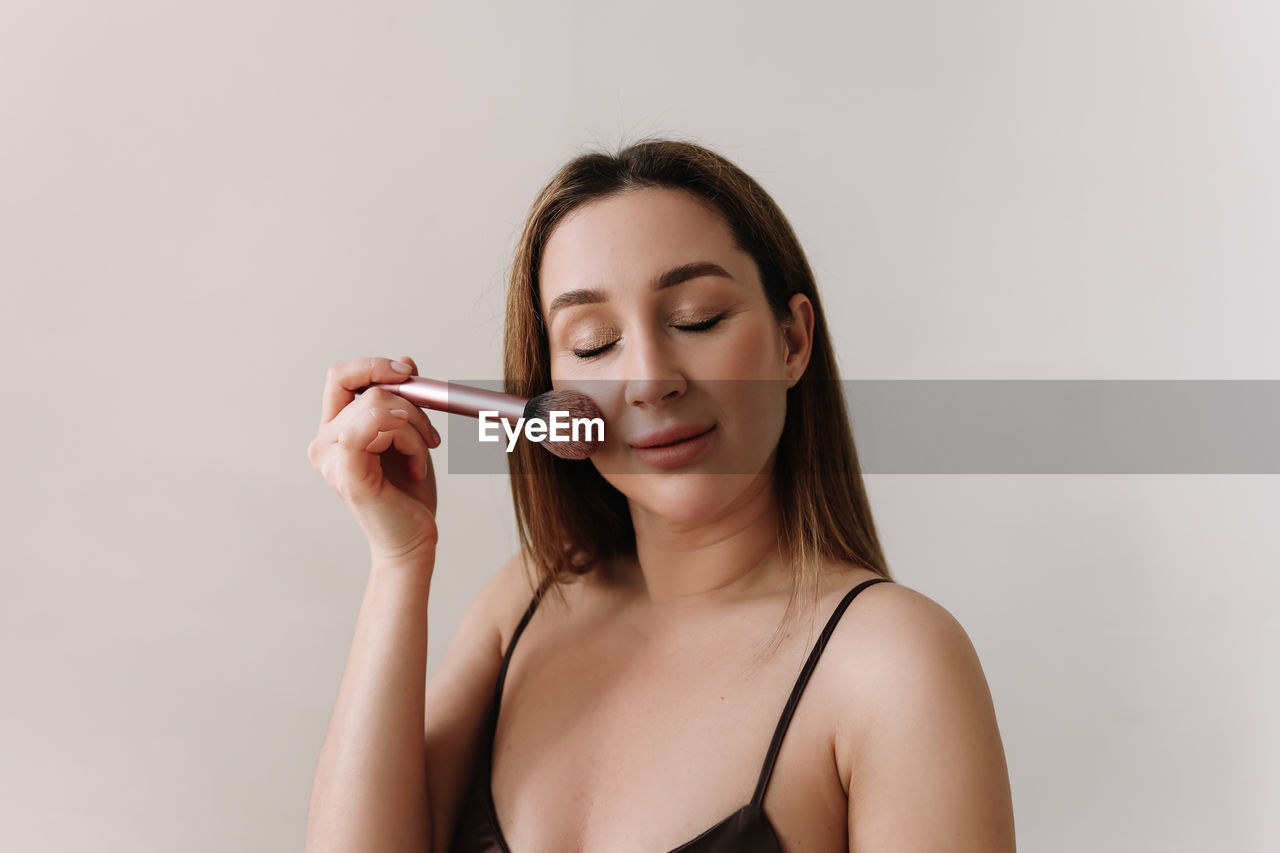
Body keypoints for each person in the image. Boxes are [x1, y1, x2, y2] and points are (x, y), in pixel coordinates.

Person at [304, 138, 1016, 852]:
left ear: (793, 340)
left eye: (697, 319)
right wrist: (399, 561)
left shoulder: (893, 663)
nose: (649, 378)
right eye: (593, 343)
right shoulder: (528, 598)